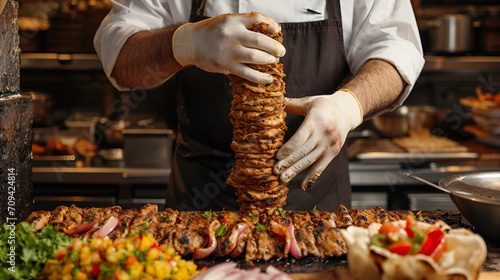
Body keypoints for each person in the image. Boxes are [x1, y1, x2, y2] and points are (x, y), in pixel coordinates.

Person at [94, 0, 425, 211]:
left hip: (316, 202)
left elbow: (398, 49)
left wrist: (348, 105)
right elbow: (119, 55)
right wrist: (185, 42)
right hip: (197, 205)